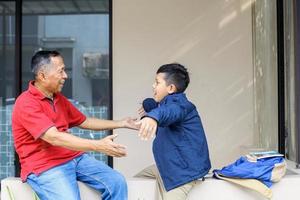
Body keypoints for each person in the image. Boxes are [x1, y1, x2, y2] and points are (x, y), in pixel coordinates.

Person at [12, 50, 138, 200]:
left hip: (73, 158)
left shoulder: (58, 98)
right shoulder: (26, 103)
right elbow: (54, 137)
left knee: (117, 182)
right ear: (42, 75)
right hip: (44, 166)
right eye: (61, 71)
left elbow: (85, 121)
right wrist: (98, 146)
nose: (65, 76)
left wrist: (121, 123)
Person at [135, 63, 211, 200]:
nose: (153, 85)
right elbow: (157, 106)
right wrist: (148, 106)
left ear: (170, 88)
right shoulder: (164, 104)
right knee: (135, 185)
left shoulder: (181, 105)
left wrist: (152, 117)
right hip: (166, 167)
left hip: (182, 173)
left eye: (157, 82)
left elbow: (169, 112)